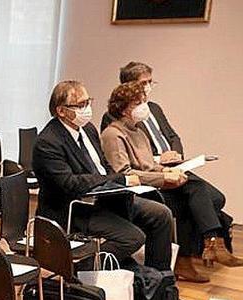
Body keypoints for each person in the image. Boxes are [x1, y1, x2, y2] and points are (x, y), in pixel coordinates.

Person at [101, 82, 241, 281]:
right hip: (137, 190)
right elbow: (125, 173)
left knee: (191, 191)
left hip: (152, 182)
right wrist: (164, 177)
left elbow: (149, 165)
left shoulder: (139, 131)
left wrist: (169, 170)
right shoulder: (112, 134)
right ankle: (210, 243)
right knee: (192, 191)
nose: (143, 106)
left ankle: (200, 251)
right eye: (137, 103)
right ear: (124, 109)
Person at [32, 80, 173, 271]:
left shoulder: (88, 130)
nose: (87, 109)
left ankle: (158, 282)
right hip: (73, 208)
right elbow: (70, 184)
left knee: (161, 214)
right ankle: (78, 270)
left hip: (106, 197)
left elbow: (103, 166)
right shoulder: (48, 142)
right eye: (80, 105)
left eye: (88, 102)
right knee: (133, 237)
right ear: (61, 111)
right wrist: (118, 179)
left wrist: (119, 184)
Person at [100, 62, 183, 156]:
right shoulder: (113, 116)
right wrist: (158, 159)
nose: (148, 87)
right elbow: (127, 152)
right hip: (150, 167)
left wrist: (176, 154)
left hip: (173, 162)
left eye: (150, 82)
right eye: (143, 83)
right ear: (129, 86)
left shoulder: (154, 108)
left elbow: (172, 136)